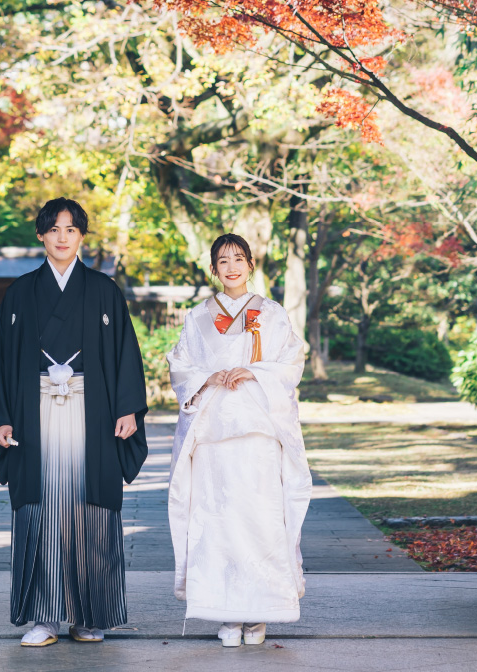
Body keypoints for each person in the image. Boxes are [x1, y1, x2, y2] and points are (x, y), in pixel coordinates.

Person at [0, 198, 149, 647]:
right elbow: (2, 360)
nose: (62, 237)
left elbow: (125, 353)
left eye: (71, 229)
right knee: (40, 508)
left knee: (90, 508)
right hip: (33, 410)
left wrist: (128, 408)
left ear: (81, 237)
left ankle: (90, 615)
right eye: (53, 229)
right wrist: (3, 417)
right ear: (41, 234)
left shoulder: (103, 289)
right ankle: (44, 617)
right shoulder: (20, 292)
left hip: (92, 409)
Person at [166, 234, 312, 647]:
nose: (231, 267)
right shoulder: (198, 317)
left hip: (258, 431)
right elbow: (181, 365)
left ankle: (261, 610)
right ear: (213, 268)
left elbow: (292, 362)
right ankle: (226, 612)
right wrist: (208, 377)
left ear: (250, 264)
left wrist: (254, 372)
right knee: (215, 523)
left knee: (261, 519)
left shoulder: (272, 313)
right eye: (223, 260)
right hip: (213, 434)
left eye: (238, 259)